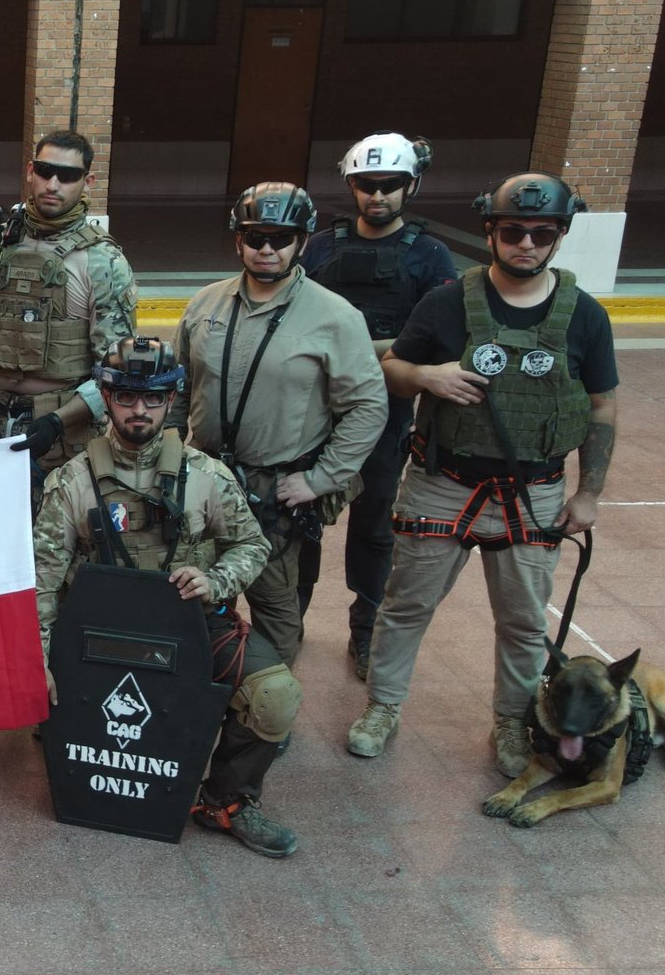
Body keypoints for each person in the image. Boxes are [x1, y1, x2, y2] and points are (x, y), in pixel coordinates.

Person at [346, 172, 619, 774]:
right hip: (442, 484)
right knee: (406, 605)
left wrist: (590, 491)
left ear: (559, 235)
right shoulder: (446, 303)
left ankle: (512, 722)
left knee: (524, 622)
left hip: (534, 492)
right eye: (513, 230)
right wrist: (426, 377)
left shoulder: (585, 317)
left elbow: (602, 405)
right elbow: (392, 366)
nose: (526, 243)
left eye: (541, 232)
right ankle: (383, 708)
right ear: (491, 231)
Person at [34, 339, 303, 857]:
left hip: (193, 623)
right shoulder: (70, 482)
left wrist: (217, 581)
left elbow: (251, 545)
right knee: (63, 709)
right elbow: (43, 580)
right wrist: (39, 658)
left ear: (173, 397)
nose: (139, 410)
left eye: (154, 398)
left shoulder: (208, 477)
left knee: (276, 697)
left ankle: (226, 801)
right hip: (97, 632)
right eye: (126, 397)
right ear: (106, 397)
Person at [176, 183, 388, 666]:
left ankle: (268, 707)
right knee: (194, 591)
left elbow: (368, 405)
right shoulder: (205, 305)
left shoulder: (334, 316)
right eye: (256, 238)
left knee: (275, 608)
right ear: (238, 241)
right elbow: (180, 390)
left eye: (281, 238)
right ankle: (202, 695)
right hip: (206, 480)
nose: (267, 249)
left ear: (303, 242)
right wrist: (170, 461)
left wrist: (321, 478)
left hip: (274, 495)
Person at [298, 133, 458, 681]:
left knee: (374, 525)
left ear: (410, 186)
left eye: (390, 185)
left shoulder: (430, 256)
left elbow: (436, 340)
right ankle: (287, 622)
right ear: (352, 185)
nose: (378, 195)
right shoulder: (319, 247)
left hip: (385, 414)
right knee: (299, 521)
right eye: (367, 185)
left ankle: (365, 628)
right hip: (313, 410)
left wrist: (359, 354)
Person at [0, 130, 143, 478]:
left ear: (87, 182)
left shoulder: (102, 261)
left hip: (66, 438)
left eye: (68, 175)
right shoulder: (4, 239)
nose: (53, 184)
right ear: (30, 171)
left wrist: (58, 422)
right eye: (45, 171)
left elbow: (118, 371)